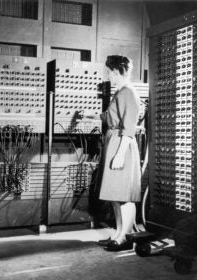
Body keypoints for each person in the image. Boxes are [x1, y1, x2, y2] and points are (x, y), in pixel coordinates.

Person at [85, 55, 141, 251]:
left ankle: (125, 237)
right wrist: (89, 115)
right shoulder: (120, 92)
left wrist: (119, 154)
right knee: (115, 194)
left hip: (121, 146)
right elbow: (109, 116)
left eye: (110, 71)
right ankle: (118, 234)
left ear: (117, 71)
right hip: (114, 142)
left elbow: (129, 127)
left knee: (123, 195)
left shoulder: (128, 93)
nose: (108, 75)